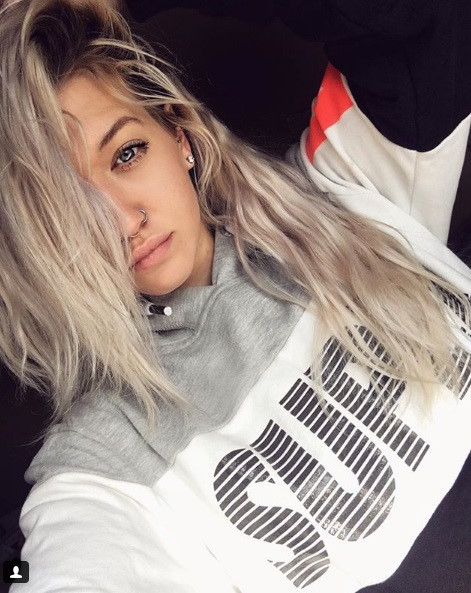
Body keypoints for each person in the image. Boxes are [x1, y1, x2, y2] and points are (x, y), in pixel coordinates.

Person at [1, 0, 471, 591]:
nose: (121, 222)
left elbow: (422, 22)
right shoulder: (109, 453)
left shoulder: (340, 192)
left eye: (126, 153)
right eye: (69, 209)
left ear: (179, 136)